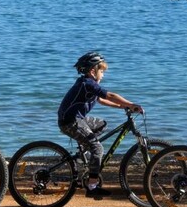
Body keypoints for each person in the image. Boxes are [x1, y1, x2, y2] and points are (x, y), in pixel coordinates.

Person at [57, 51, 144, 199]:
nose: (103, 75)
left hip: (78, 119)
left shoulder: (88, 84)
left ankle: (83, 153)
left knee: (101, 124)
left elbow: (102, 101)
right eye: (101, 71)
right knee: (98, 148)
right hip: (70, 122)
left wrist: (124, 107)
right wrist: (131, 104)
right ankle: (92, 186)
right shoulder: (87, 84)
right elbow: (110, 95)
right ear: (92, 71)